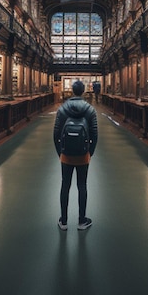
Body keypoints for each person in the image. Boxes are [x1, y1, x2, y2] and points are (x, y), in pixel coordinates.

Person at [53, 80, 98, 230]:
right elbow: (94, 134)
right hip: (83, 155)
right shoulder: (90, 110)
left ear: (72, 90)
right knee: (82, 186)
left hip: (66, 155)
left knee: (65, 185)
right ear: (83, 91)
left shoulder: (62, 109)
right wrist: (89, 153)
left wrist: (61, 152)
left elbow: (56, 134)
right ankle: (81, 220)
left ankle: (64, 221)